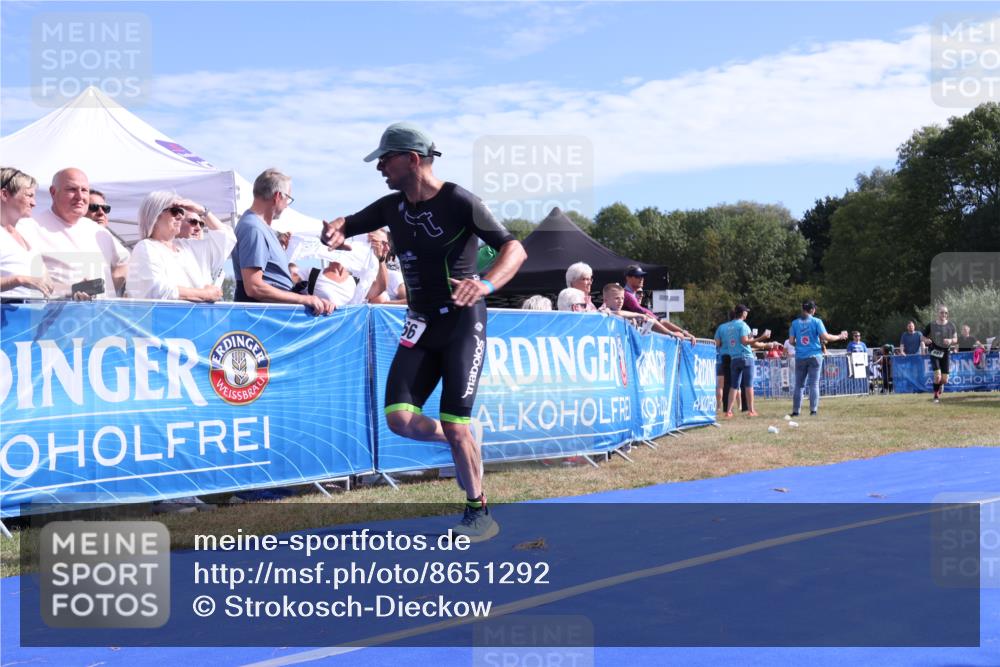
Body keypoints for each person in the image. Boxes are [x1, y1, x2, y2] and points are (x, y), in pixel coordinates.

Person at [321, 122, 527, 541]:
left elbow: (515, 247)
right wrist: (336, 229)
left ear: (412, 159)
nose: (380, 167)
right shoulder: (391, 207)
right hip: (419, 323)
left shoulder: (459, 201)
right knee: (399, 419)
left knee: (454, 423)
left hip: (461, 322)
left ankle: (479, 512)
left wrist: (485, 284)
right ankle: (465, 440)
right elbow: (350, 221)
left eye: (386, 159)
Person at [232, 168, 332, 315]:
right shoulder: (254, 229)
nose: (286, 205)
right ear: (278, 196)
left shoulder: (260, 228)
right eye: (288, 200)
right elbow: (254, 287)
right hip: (261, 321)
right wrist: (304, 299)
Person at [18, 168, 129, 298]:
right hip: (56, 315)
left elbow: (124, 263)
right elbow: (24, 279)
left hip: (101, 315)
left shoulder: (98, 231)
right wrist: (71, 291)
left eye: (84, 190)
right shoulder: (28, 227)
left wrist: (108, 290)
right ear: (53, 192)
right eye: (71, 189)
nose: (80, 196)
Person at [125, 191, 235, 302]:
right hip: (167, 318)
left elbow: (226, 239)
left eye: (181, 211)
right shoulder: (145, 247)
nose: (180, 216)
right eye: (174, 211)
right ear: (155, 215)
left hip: (198, 318)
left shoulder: (187, 246)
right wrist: (205, 294)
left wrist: (202, 211)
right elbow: (157, 291)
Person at [0, 167, 54, 298]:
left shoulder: (27, 232)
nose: (34, 203)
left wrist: (74, 289)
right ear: (5, 195)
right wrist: (19, 280)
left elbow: (45, 285)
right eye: (29, 195)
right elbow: (25, 280)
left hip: (33, 315)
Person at [789, 300, 848, 416]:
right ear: (812, 310)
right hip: (815, 356)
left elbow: (791, 341)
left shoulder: (795, 323)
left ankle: (796, 412)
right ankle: (813, 411)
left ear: (803, 309)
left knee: (799, 385)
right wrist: (840, 336)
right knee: (814, 384)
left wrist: (800, 346)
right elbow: (826, 337)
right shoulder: (816, 321)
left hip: (800, 357)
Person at [621, 264, 696, 344]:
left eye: (642, 276)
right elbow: (652, 319)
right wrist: (672, 334)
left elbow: (659, 320)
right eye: (637, 276)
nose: (641, 279)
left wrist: (683, 332)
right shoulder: (627, 294)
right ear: (628, 278)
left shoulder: (630, 294)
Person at [725, 304, 770, 418]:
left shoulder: (729, 326)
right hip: (746, 358)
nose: (747, 313)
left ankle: (728, 411)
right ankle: (751, 410)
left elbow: (749, 341)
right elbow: (746, 342)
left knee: (734, 386)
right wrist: (763, 337)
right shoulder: (743, 325)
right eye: (746, 312)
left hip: (734, 358)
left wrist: (764, 345)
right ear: (743, 313)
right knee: (749, 385)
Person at [922, 305, 957, 403]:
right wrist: (926, 340)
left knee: (945, 380)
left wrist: (950, 340)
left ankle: (941, 384)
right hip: (935, 352)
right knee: (937, 376)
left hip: (946, 353)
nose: (944, 314)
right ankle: (936, 396)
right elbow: (922, 337)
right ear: (938, 313)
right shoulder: (932, 325)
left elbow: (955, 339)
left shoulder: (951, 325)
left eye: (945, 313)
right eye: (942, 312)